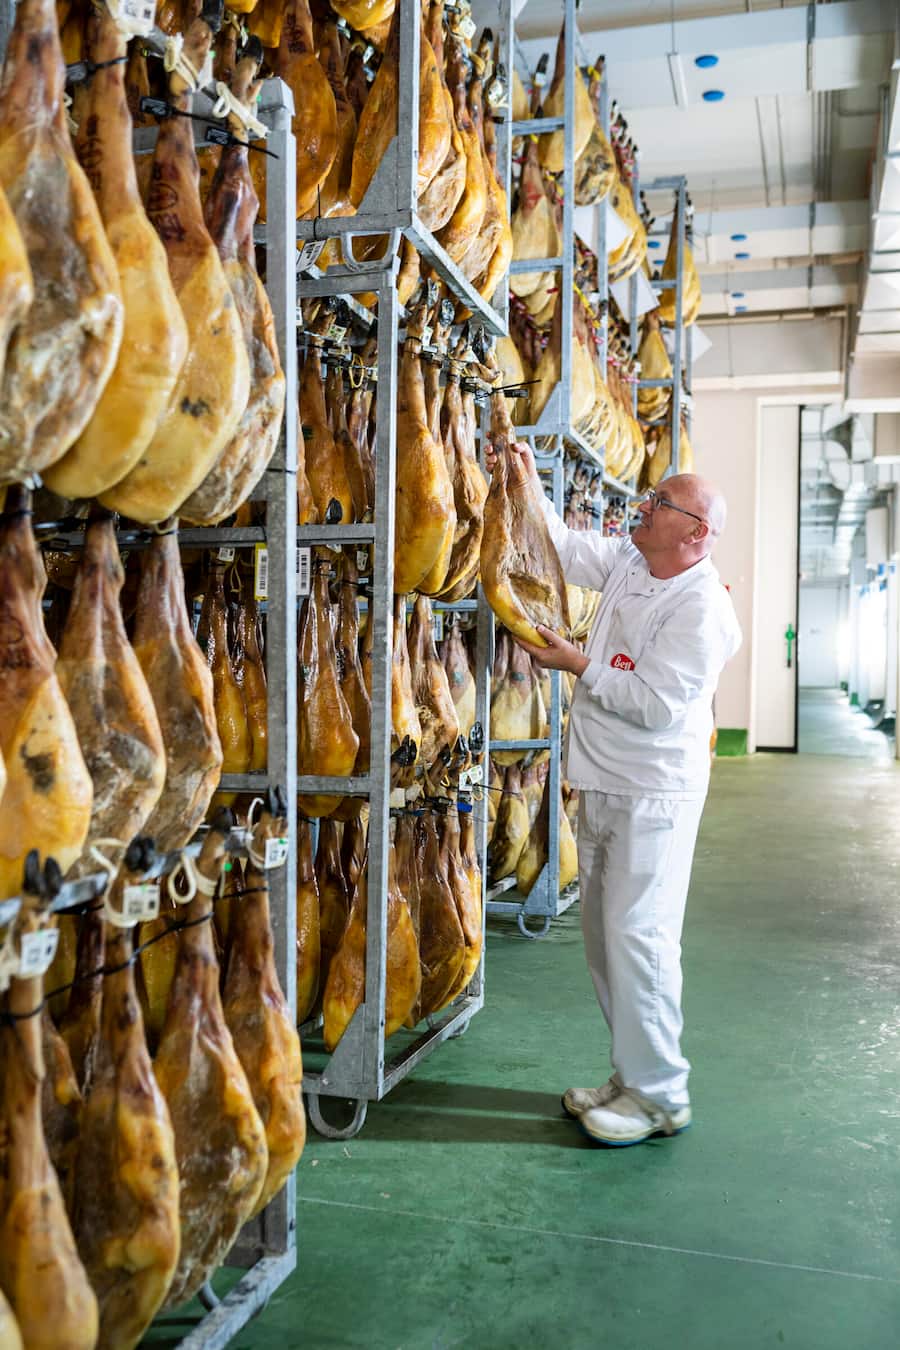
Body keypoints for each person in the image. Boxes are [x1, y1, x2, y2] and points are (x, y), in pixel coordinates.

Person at [487, 440, 741, 1147]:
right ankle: (631, 1076)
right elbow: (563, 548)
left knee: (643, 940)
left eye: (661, 504)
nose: (645, 506)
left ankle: (662, 1095)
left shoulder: (702, 611)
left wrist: (575, 663)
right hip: (603, 781)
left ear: (697, 533)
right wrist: (526, 480)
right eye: (651, 496)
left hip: (652, 794)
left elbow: (656, 703)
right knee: (606, 941)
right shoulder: (635, 560)